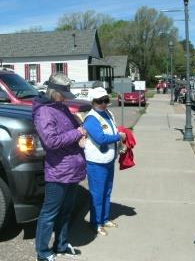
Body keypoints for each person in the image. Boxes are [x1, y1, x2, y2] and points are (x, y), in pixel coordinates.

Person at [32, 73, 86, 261]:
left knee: (66, 210)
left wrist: (79, 129)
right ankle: (43, 252)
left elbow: (72, 130)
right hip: (58, 171)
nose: (66, 98)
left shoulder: (60, 107)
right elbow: (51, 141)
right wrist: (77, 132)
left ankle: (61, 245)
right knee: (49, 213)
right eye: (63, 94)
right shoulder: (44, 112)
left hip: (71, 169)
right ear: (54, 92)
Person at [83, 87, 126, 236]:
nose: (103, 103)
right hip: (96, 162)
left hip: (108, 159)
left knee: (107, 191)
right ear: (93, 102)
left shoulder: (108, 113)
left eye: (105, 100)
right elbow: (100, 138)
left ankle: (105, 218)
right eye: (99, 101)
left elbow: (113, 130)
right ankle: (96, 222)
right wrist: (118, 137)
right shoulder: (90, 118)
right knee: (97, 193)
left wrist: (119, 138)